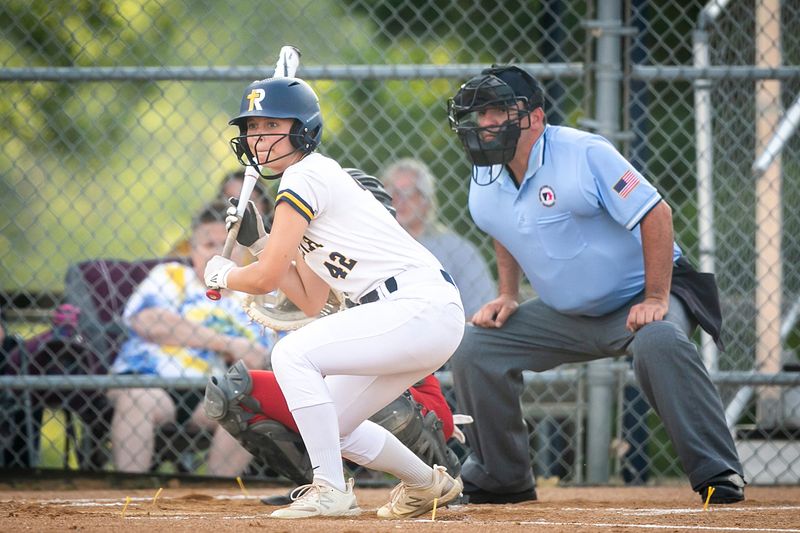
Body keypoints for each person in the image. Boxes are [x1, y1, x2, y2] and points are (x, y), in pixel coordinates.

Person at [445, 64, 745, 505]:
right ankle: (501, 476)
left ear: (536, 118)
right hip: (569, 314)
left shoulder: (584, 152)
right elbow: (504, 226)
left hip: (642, 298)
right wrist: (509, 293)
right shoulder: (486, 173)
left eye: (500, 110)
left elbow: (656, 214)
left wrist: (656, 296)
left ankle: (718, 472)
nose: (488, 123)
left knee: (658, 342)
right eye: (481, 113)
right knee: (476, 349)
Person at [203, 75, 465, 519]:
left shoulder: (305, 175)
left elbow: (264, 280)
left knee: (292, 356)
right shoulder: (306, 185)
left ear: (302, 129)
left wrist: (225, 272)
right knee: (331, 426)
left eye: (271, 125)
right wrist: (261, 240)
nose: (257, 137)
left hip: (415, 306)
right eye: (252, 127)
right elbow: (309, 298)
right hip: (413, 317)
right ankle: (427, 484)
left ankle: (329, 489)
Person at [107, 200, 276, 475]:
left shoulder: (257, 298)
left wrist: (251, 355)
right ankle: (129, 493)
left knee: (246, 406)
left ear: (244, 252)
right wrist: (227, 344)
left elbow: (264, 358)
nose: (221, 254)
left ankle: (217, 500)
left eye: (229, 245)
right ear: (193, 250)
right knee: (137, 399)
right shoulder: (173, 276)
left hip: (219, 392)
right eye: (210, 246)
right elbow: (149, 321)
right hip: (152, 381)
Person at [203, 364, 459, 505]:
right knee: (233, 392)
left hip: (411, 399)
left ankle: (433, 468)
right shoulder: (305, 278)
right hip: (330, 391)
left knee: (368, 397)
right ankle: (323, 485)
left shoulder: (369, 277)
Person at [381, 158, 495, 318]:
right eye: (390, 192)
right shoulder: (376, 245)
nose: (398, 200)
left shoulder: (458, 250)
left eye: (407, 192)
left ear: (425, 200)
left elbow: (481, 312)